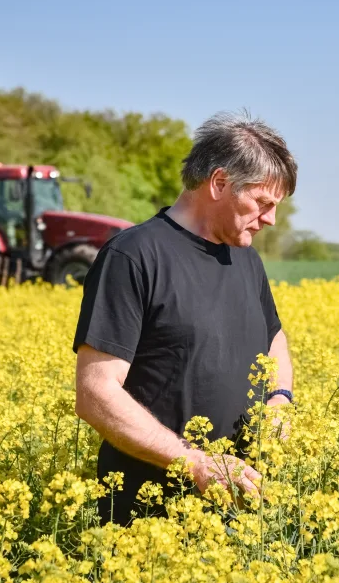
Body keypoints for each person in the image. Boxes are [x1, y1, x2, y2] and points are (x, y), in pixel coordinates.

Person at [73, 111, 297, 525]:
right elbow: (95, 394)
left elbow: (274, 339)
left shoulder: (245, 257)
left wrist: (279, 399)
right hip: (149, 519)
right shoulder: (134, 257)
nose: (270, 219)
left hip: (239, 511)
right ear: (219, 183)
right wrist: (192, 463)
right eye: (263, 203)